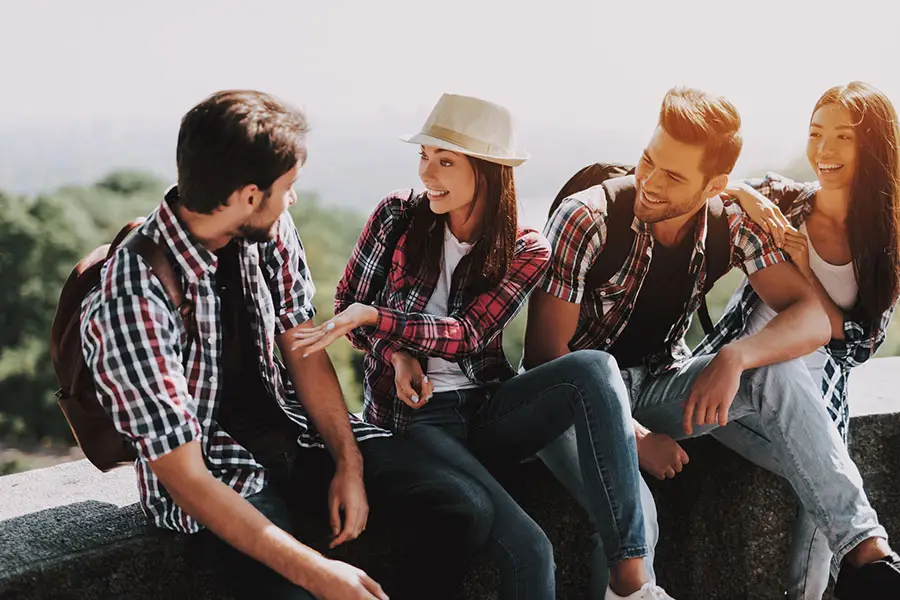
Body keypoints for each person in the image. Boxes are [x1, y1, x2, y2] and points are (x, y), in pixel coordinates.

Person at [80, 89, 495, 600]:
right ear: (247, 196)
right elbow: (184, 477)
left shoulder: (266, 227)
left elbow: (303, 342)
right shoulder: (135, 292)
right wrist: (321, 574)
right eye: (288, 187)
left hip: (291, 430)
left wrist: (349, 462)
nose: (293, 199)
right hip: (215, 471)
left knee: (463, 507)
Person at [526, 86, 900, 600]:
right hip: (565, 402)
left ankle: (867, 557)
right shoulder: (585, 217)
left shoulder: (734, 223)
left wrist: (736, 354)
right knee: (640, 520)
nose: (650, 184)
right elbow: (545, 358)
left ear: (714, 185)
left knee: (776, 371)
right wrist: (636, 439)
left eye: (674, 176)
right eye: (648, 161)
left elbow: (813, 320)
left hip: (654, 384)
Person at [294, 93, 673, 600]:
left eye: (445, 161)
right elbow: (349, 308)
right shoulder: (396, 217)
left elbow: (466, 334)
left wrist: (379, 319)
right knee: (531, 550)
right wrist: (396, 353)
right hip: (418, 418)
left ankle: (630, 579)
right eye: (424, 156)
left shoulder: (526, 248)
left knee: (593, 369)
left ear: (490, 172)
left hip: (485, 408)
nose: (428, 173)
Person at [695, 81, 900, 599]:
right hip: (738, 386)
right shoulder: (783, 198)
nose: (823, 150)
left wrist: (806, 273)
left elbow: (856, 348)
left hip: (816, 398)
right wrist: (745, 193)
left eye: (843, 137)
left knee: (825, 477)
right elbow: (704, 188)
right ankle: (869, 560)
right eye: (815, 133)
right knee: (831, 475)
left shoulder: (887, 243)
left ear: (872, 146)